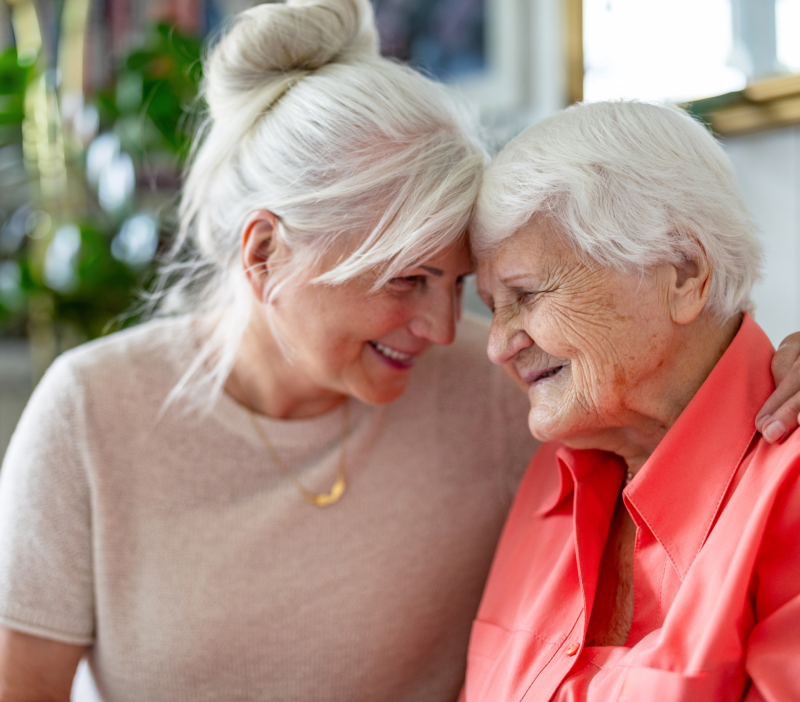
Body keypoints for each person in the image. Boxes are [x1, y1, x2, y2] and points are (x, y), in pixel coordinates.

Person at [0, 4, 798, 699]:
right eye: (407, 280)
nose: (452, 332)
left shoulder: (509, 396)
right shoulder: (91, 410)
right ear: (265, 254)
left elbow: (681, 361)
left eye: (459, 286)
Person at [464, 100, 800, 701]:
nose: (496, 345)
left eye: (528, 294)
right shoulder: (548, 477)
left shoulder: (787, 487)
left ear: (683, 272)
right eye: (492, 308)